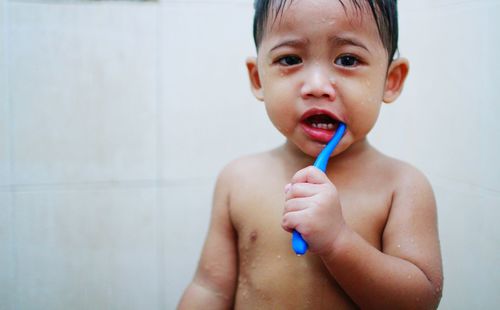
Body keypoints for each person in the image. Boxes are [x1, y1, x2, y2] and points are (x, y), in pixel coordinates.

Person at [178, 0, 443, 308]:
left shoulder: (403, 187)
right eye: (290, 59)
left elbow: (420, 300)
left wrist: (338, 241)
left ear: (391, 80)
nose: (317, 86)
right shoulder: (237, 180)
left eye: (347, 59)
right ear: (258, 78)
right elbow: (209, 289)